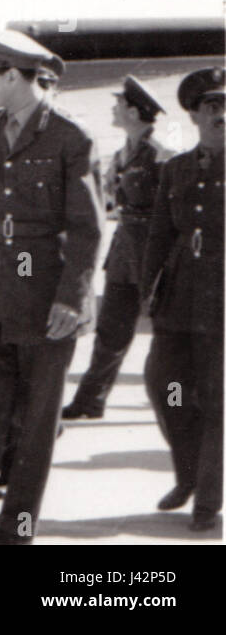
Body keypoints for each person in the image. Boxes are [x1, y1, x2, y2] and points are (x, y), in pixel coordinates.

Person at [0, 27, 102, 545]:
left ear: (12, 75)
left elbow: (86, 227)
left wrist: (72, 299)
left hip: (45, 300)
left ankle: (17, 531)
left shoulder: (70, 136)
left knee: (36, 425)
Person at [141, 67, 223, 532]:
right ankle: (187, 474)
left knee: (215, 399)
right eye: (212, 106)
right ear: (194, 115)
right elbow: (159, 235)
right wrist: (147, 293)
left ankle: (207, 501)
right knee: (166, 387)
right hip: (179, 300)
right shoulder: (176, 169)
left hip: (222, 303)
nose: (221, 115)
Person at [62, 76, 169, 419]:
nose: (113, 109)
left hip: (154, 256)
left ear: (134, 113)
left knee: (170, 336)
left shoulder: (161, 155)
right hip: (124, 254)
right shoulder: (123, 152)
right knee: (111, 331)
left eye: (119, 104)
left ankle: (179, 402)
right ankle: (90, 400)